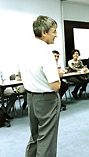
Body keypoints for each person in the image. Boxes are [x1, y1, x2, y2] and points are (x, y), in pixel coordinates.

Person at [18, 15, 61, 157]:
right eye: (54, 31)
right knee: (47, 138)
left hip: (31, 96)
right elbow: (55, 86)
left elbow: (21, 72)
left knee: (35, 135)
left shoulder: (25, 48)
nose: (55, 35)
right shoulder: (46, 51)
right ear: (44, 32)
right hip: (47, 100)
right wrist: (58, 75)